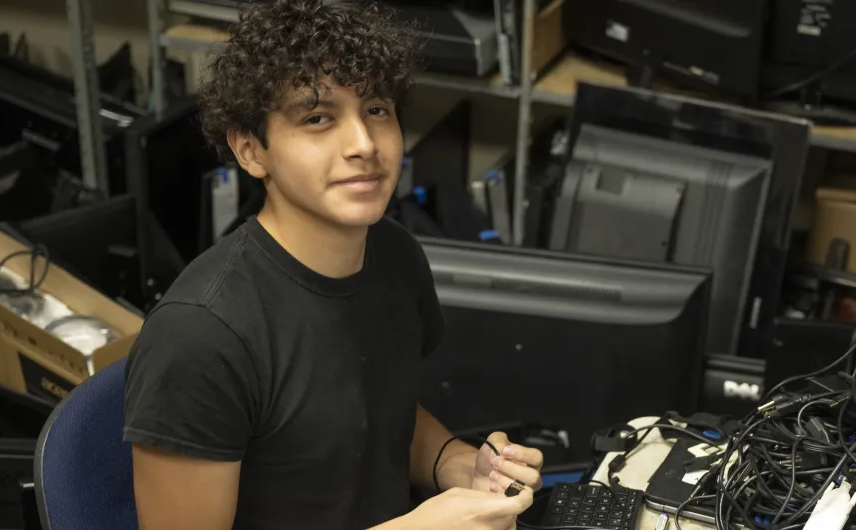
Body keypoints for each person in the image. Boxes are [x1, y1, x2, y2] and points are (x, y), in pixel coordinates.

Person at [121, 1, 543, 528]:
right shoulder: (200, 336)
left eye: (376, 110)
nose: (363, 144)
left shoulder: (394, 254)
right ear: (250, 151)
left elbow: (374, 421)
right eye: (318, 118)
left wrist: (454, 463)